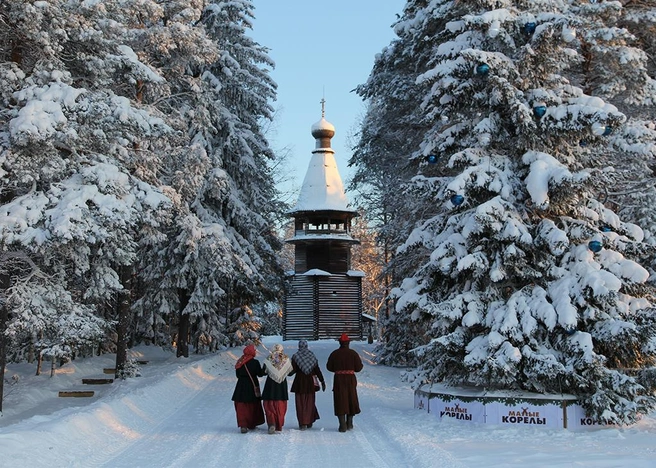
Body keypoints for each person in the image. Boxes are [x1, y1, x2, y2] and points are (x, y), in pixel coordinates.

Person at [326, 333, 363, 432]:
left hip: (339, 379)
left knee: (340, 399)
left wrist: (338, 369)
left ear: (340, 343)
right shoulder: (353, 353)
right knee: (351, 398)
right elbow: (359, 368)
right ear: (348, 343)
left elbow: (329, 367)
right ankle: (349, 422)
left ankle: (342, 424)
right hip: (350, 379)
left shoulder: (335, 354)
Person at [290, 340, 326, 430]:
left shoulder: (296, 356)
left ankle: (302, 423)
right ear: (306, 346)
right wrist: (322, 381)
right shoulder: (311, 356)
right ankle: (309, 421)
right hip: (310, 383)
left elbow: (292, 370)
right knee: (310, 402)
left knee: (300, 403)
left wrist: (284, 372)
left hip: (299, 382)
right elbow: (317, 370)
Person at [231, 344, 265, 433]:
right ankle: (252, 423)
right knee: (252, 405)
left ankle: (243, 425)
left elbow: (238, 375)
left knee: (241, 406)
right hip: (252, 385)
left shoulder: (240, 362)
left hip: (241, 385)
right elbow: (260, 374)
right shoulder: (255, 362)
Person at [262, 343, 293, 434]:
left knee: (269, 405)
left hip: (270, 385)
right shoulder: (286, 359)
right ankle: (278, 424)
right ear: (281, 349)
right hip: (281, 385)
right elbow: (290, 372)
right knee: (280, 406)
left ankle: (271, 423)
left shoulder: (269, 358)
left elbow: (263, 371)